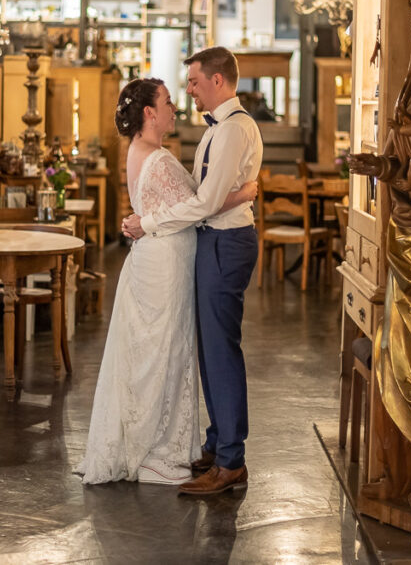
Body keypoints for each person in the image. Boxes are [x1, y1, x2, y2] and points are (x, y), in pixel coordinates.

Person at [76, 78, 257, 486]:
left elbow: (188, 203)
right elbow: (199, 205)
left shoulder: (144, 151)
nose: (175, 107)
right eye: (168, 102)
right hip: (165, 263)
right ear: (149, 113)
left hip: (160, 257)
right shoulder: (157, 159)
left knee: (157, 350)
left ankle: (155, 440)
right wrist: (244, 192)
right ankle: (156, 449)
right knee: (164, 352)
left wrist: (146, 221)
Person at [122, 47, 264, 496]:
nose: (189, 91)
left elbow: (203, 203)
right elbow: (202, 196)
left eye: (195, 82)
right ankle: (217, 444)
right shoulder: (216, 129)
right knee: (210, 350)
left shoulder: (233, 129)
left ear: (217, 80)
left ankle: (231, 461)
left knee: (221, 351)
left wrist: (147, 223)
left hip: (226, 243)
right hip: (213, 241)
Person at [346, 0, 411, 504]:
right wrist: (381, 167)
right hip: (403, 241)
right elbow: (404, 166)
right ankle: (396, 475)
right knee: (391, 357)